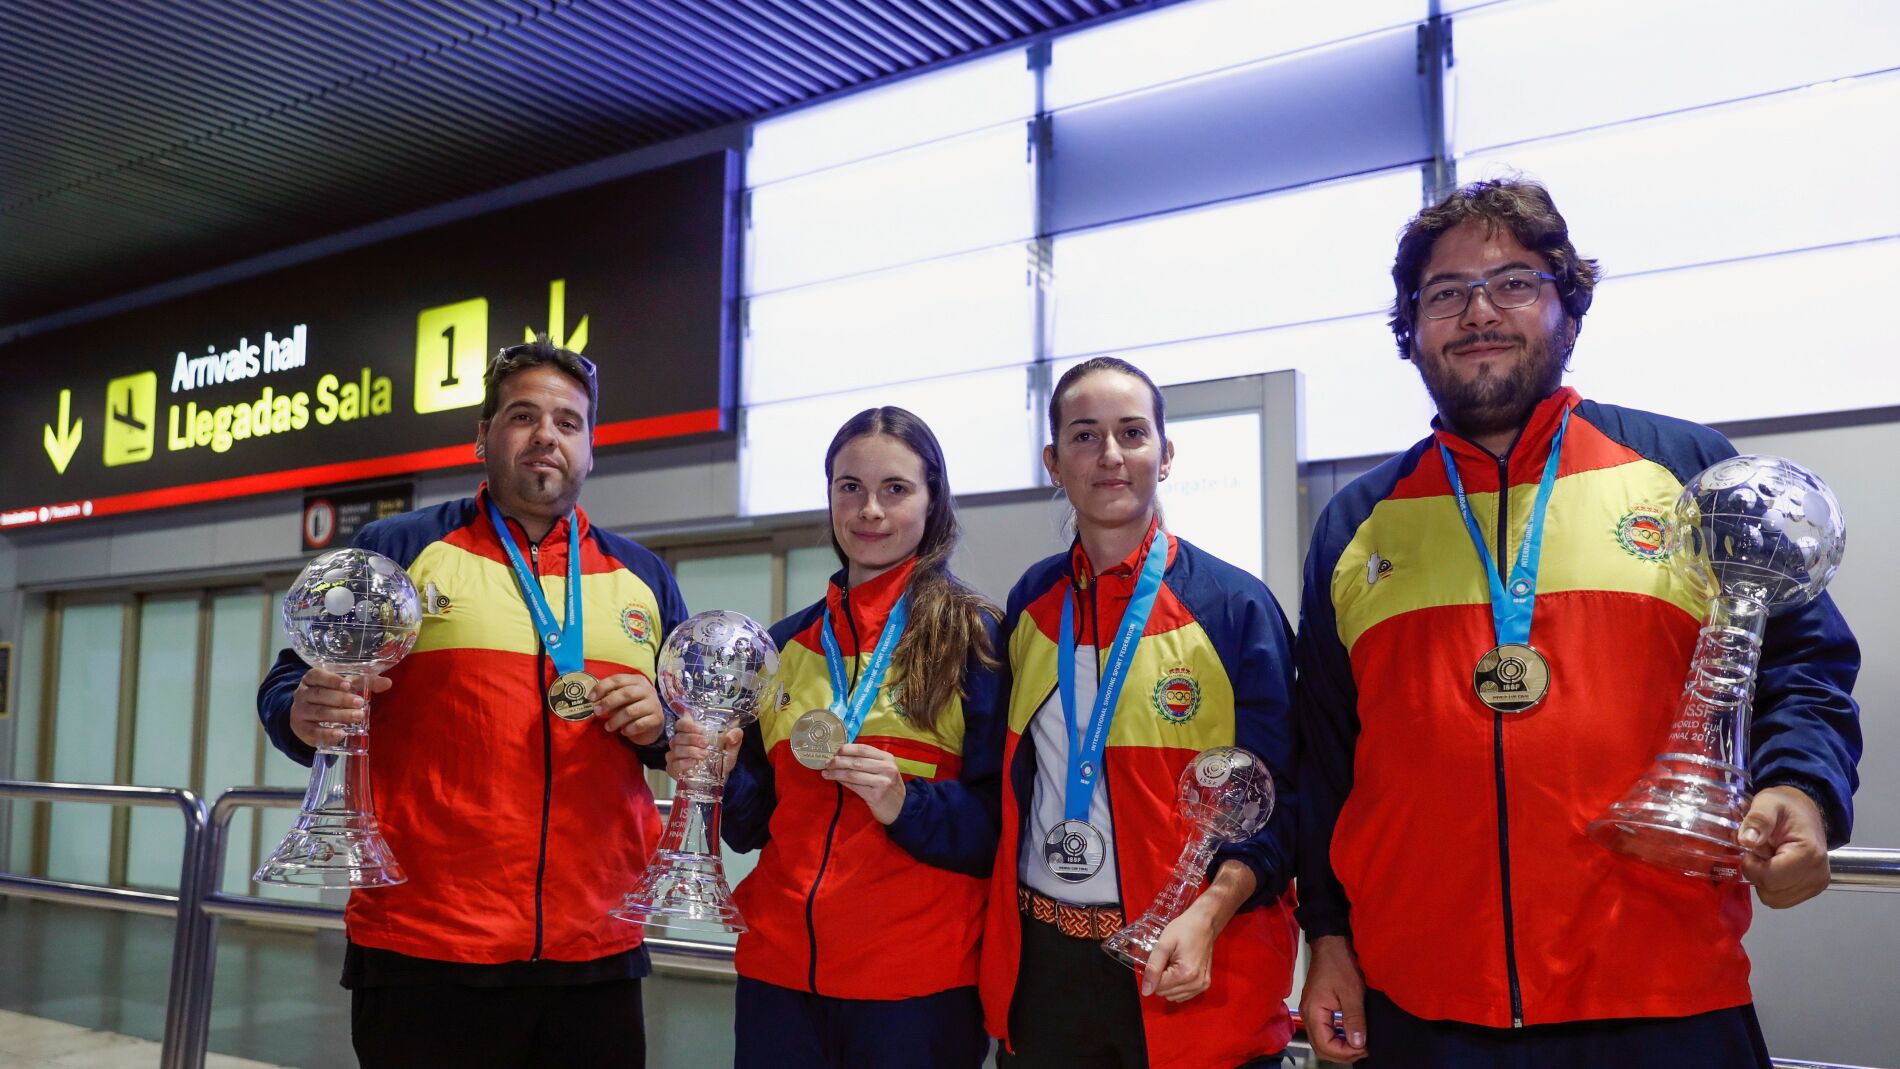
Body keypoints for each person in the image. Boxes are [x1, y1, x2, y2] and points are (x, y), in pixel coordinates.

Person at [1294, 179, 1861, 1067]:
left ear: (1569, 306)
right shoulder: (1357, 523)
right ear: (1411, 328)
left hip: (1666, 997)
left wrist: (1804, 787)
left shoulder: (1685, 470)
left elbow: (1802, 662)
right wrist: (1327, 935)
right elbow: (1324, 759)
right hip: (1422, 1011)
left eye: (1515, 281)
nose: (1479, 310)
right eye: (1445, 293)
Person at [258, 336, 687, 1069]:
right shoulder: (401, 546)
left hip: (598, 943)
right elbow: (291, 680)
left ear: (590, 450)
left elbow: (689, 725)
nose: (546, 435)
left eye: (568, 421)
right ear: (484, 436)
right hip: (425, 944)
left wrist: (662, 722)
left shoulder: (642, 575)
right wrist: (301, 708)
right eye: (523, 416)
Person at [978, 357, 1298, 1069]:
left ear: (1167, 453)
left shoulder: (1234, 606)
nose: (1111, 456)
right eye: (1085, 436)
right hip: (1049, 973)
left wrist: (1211, 911)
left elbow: (1280, 800)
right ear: (1054, 462)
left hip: (1195, 963)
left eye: (1132, 432)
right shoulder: (1031, 604)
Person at [667, 406, 1004, 1068]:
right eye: (850, 486)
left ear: (932, 500)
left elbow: (1001, 825)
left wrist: (908, 803)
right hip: (779, 978)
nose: (869, 509)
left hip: (914, 988)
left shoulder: (976, 639)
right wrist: (719, 771)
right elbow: (752, 826)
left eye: (895, 489)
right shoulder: (786, 643)